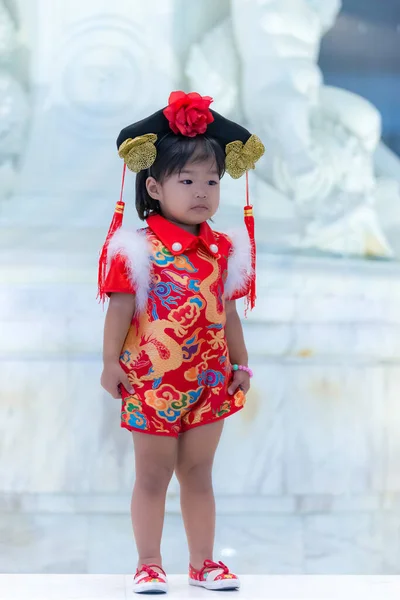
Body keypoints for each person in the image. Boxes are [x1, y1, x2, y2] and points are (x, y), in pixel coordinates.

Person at [98, 91, 264, 594]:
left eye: (212, 181)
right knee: (152, 473)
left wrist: (242, 362)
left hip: (210, 379)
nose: (202, 192)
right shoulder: (137, 247)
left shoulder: (223, 250)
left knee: (199, 472)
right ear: (154, 185)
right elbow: (121, 309)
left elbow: (230, 312)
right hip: (152, 379)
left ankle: (203, 563)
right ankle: (149, 562)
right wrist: (110, 362)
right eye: (187, 180)